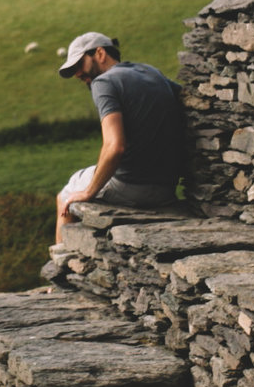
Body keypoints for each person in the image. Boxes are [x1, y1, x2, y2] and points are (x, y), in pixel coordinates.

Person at [53, 31, 188, 237]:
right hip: (166, 187)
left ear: (100, 53)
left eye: (79, 65)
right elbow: (186, 99)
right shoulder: (152, 72)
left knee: (65, 194)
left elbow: (115, 146)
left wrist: (89, 192)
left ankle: (61, 264)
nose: (77, 74)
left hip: (130, 186)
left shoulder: (104, 83)